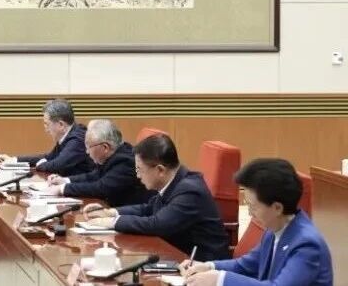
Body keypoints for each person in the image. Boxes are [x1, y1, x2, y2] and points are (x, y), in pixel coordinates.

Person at [180, 158, 333, 286]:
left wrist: (220, 280)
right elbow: (246, 265)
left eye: (252, 206)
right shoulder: (274, 229)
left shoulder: (307, 245)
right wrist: (209, 266)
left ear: (277, 207)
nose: (249, 213)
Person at [83, 134, 230, 261]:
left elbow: (157, 224)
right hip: (177, 254)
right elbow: (148, 208)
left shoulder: (189, 191)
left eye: (140, 169)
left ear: (160, 170)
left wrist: (111, 222)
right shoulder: (176, 181)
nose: (138, 176)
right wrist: (110, 212)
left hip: (202, 265)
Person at [42, 119, 154, 207]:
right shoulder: (115, 154)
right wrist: (65, 180)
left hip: (131, 215)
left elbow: (100, 188)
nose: (86, 152)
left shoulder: (125, 162)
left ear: (105, 147)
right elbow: (94, 175)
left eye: (88, 147)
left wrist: (62, 189)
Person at [0, 98, 94, 175]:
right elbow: (48, 158)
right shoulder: (69, 134)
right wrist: (14, 160)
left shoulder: (78, 139)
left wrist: (40, 165)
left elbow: (57, 165)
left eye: (47, 124)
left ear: (61, 125)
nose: (45, 128)